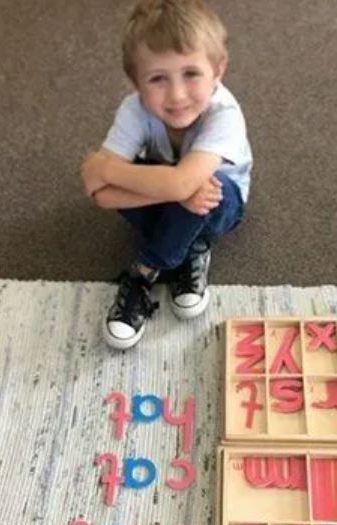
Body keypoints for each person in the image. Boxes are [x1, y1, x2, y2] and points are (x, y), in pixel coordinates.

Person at [81, 0, 253, 350]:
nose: (176, 95)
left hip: (222, 200)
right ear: (136, 82)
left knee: (206, 189)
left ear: (218, 70)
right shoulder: (134, 109)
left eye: (191, 74)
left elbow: (107, 177)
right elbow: (99, 193)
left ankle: (144, 271)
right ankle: (191, 249)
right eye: (158, 79)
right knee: (187, 190)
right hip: (179, 190)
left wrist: (107, 168)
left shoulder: (225, 115)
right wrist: (176, 189)